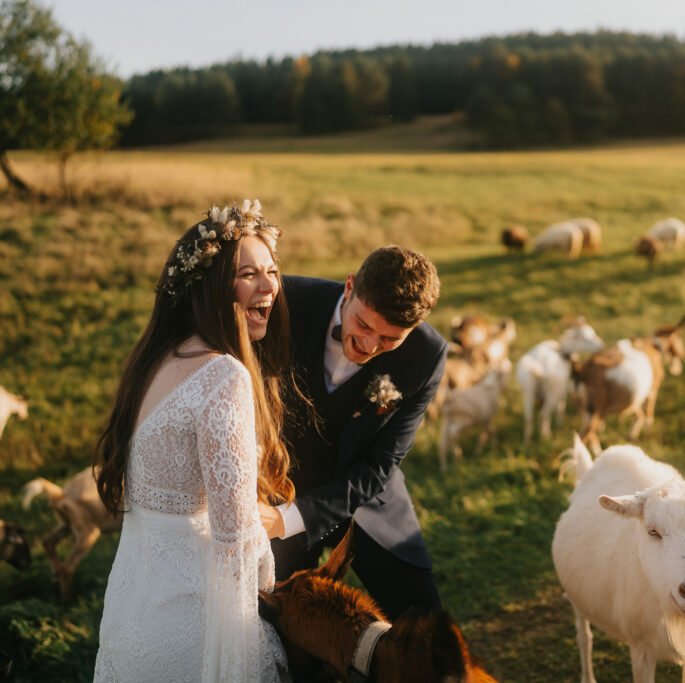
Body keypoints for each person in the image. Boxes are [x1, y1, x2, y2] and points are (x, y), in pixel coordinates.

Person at [93, 200, 295, 682]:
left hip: (131, 616)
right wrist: (275, 605)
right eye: (248, 274)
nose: (269, 286)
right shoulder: (223, 376)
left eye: (272, 270)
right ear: (209, 286)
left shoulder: (155, 362)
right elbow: (237, 538)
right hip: (195, 630)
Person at [263, 246, 446, 620]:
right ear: (349, 288)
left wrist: (298, 516)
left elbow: (382, 464)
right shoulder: (286, 302)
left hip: (365, 502)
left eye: (389, 340)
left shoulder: (427, 354)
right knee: (268, 628)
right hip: (274, 494)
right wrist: (279, 516)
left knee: (423, 626)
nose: (369, 346)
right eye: (364, 325)